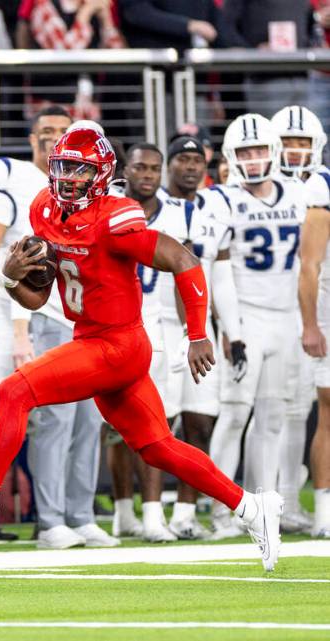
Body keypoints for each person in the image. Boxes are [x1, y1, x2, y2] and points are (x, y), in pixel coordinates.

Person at [0, 127, 285, 573]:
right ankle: (251, 507)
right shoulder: (45, 209)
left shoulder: (116, 216)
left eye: (80, 169)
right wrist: (12, 279)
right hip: (91, 339)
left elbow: (185, 261)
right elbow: (40, 297)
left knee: (15, 390)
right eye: (63, 167)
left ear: (102, 173)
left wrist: (197, 333)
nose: (68, 177)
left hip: (119, 344)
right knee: (157, 446)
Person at [0, 106, 110, 548]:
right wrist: (20, 327)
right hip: (47, 317)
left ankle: (80, 513)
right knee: (55, 422)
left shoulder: (92, 193)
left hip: (91, 322)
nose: (55, 140)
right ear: (33, 140)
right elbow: (18, 267)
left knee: (90, 421)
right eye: (46, 132)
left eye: (62, 133)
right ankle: (50, 521)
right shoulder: (28, 190)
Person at [204, 114, 307, 538]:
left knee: (272, 417)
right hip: (245, 315)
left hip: (287, 318)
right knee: (233, 414)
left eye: (260, 150)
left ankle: (263, 507)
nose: (254, 159)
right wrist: (230, 328)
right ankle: (219, 509)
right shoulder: (222, 200)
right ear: (232, 156)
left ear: (274, 152)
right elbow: (213, 269)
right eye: (245, 152)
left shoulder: (298, 193)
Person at [111, 142, 197, 543]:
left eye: (154, 169)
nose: (147, 175)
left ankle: (151, 515)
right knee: (113, 427)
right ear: (125, 170)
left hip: (157, 327)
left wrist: (190, 332)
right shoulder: (108, 206)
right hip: (115, 325)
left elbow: (185, 274)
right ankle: (124, 512)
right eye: (140, 168)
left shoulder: (177, 212)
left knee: (155, 424)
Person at [159, 135, 240, 540]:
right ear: (168, 164)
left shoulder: (219, 204)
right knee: (158, 423)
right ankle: (148, 514)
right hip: (157, 323)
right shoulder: (151, 203)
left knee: (200, 421)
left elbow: (220, 274)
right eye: (182, 159)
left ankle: (185, 514)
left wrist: (228, 329)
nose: (190, 167)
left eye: (196, 160)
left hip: (200, 329)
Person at [272, 105, 324, 533]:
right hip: (273, 308)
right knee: (273, 411)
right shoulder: (255, 187)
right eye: (287, 141)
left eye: (302, 141)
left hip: (309, 308)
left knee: (301, 408)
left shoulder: (319, 187)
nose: (294, 150)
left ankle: (288, 499)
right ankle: (267, 502)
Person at [300, 128, 330, 539]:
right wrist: (310, 324)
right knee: (329, 412)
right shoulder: (322, 184)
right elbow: (310, 265)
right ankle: (324, 509)